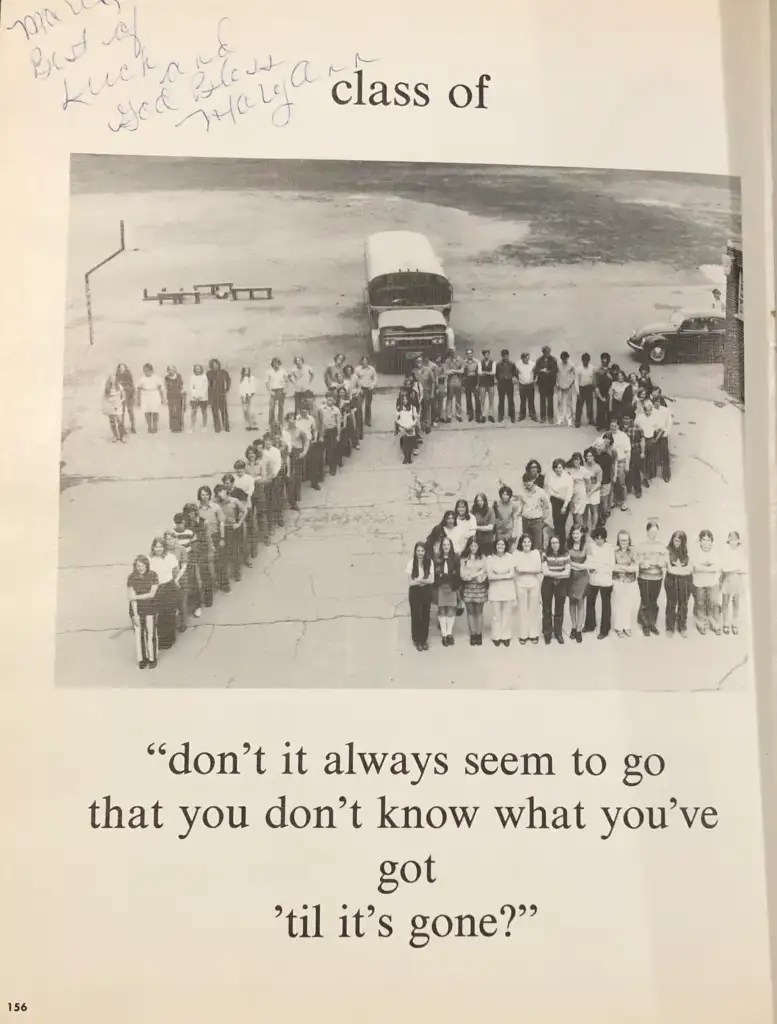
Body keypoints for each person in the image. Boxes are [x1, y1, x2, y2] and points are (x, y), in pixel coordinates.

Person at [126, 554, 159, 669]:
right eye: (137, 565)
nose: (140, 567)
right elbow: (131, 596)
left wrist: (136, 597)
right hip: (137, 610)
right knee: (139, 634)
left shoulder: (153, 575)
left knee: (151, 633)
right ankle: (142, 659)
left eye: (142, 565)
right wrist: (135, 615)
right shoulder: (131, 577)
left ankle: (152, 658)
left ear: (146, 565)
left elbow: (152, 594)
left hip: (150, 608)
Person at [149, 536, 180, 651]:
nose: (159, 549)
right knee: (161, 614)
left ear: (164, 547)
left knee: (170, 612)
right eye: (156, 547)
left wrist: (175, 582)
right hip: (158, 588)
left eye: (161, 546)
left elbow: (176, 571)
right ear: (153, 548)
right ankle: (162, 639)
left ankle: (170, 639)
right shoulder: (150, 559)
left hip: (169, 586)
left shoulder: (170, 557)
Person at [636, 519, 667, 636]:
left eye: (655, 532)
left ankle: (652, 623)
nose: (653, 534)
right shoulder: (641, 545)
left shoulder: (661, 546)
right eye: (651, 532)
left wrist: (662, 563)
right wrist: (642, 563)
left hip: (657, 577)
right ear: (647, 532)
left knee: (654, 600)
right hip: (644, 576)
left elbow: (665, 560)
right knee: (645, 600)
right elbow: (637, 559)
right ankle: (645, 624)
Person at [583, 526, 614, 638]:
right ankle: (590, 625)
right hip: (593, 580)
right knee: (590, 602)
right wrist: (591, 568)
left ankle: (604, 630)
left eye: (601, 538)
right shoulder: (591, 547)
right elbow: (588, 561)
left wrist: (598, 567)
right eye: (597, 538)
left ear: (605, 538)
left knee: (606, 605)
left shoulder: (610, 548)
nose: (599, 540)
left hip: (606, 580)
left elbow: (610, 564)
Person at [214, 482, 247, 587]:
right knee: (223, 552)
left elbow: (245, 511)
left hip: (232, 529)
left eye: (221, 491)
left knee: (234, 551)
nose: (219, 494)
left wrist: (239, 523)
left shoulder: (234, 501)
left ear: (226, 491)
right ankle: (225, 576)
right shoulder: (217, 503)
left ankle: (237, 572)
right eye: (217, 492)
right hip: (222, 529)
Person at [486, 537, 517, 646]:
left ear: (505, 546)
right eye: (498, 544)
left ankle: (506, 636)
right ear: (495, 545)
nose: (500, 546)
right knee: (496, 615)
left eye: (502, 544)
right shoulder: (490, 558)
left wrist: (498, 574)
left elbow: (512, 574)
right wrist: (505, 575)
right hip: (495, 590)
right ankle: (496, 636)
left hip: (508, 589)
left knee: (507, 614)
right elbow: (490, 576)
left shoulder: (510, 557)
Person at [514, 533, 542, 644]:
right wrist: (530, 569)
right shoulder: (517, 553)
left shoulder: (535, 553)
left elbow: (538, 569)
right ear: (521, 543)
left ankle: (533, 633)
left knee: (533, 609)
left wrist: (523, 569)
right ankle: (523, 634)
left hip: (534, 584)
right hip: (520, 584)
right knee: (522, 609)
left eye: (529, 542)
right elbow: (517, 569)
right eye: (524, 542)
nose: (527, 544)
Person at [196, 485, 225, 593]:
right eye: (202, 494)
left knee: (219, 561)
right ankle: (210, 585)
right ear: (199, 496)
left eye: (207, 494)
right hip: (203, 539)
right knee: (206, 563)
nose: (205, 497)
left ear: (210, 495)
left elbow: (221, 522)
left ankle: (223, 583)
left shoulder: (216, 507)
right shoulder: (197, 510)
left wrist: (222, 538)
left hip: (215, 535)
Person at [541, 534, 570, 644]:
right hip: (547, 584)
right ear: (550, 544)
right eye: (552, 543)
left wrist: (552, 574)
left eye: (556, 542)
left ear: (560, 543)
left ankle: (558, 632)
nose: (555, 545)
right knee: (546, 609)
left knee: (559, 609)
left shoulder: (566, 554)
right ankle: (547, 633)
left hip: (561, 584)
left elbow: (567, 573)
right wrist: (559, 574)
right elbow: (545, 571)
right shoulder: (545, 554)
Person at [460, 537, 489, 645]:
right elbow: (462, 574)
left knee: (479, 612)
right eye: (471, 545)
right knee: (470, 611)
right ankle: (473, 634)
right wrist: (470, 575)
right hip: (468, 586)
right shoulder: (464, 558)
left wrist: (479, 576)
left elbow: (485, 572)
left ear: (479, 546)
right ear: (468, 546)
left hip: (479, 586)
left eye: (475, 545)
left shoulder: (483, 557)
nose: (473, 548)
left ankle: (479, 633)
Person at [692, 530, 722, 635]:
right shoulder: (696, 553)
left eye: (708, 540)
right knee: (700, 603)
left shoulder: (715, 553)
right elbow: (695, 567)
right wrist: (709, 566)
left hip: (713, 583)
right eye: (703, 540)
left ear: (711, 541)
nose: (705, 542)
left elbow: (717, 567)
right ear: (700, 541)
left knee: (714, 603)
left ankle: (714, 624)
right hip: (699, 583)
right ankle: (701, 624)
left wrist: (703, 567)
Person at [407, 542, 435, 651]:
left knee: (425, 615)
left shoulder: (430, 563)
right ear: (415, 552)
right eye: (418, 551)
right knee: (416, 616)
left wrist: (419, 580)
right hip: (415, 593)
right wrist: (424, 581)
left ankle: (424, 639)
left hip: (426, 592)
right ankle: (417, 640)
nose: (420, 553)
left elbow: (432, 580)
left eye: (422, 551)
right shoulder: (411, 563)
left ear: (425, 552)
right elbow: (411, 582)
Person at [665, 530, 693, 637]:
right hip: (671, 581)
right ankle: (670, 626)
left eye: (679, 541)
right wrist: (682, 569)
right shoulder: (667, 551)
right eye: (675, 540)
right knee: (671, 603)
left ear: (683, 541)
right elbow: (670, 570)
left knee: (683, 604)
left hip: (685, 582)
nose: (676, 542)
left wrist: (677, 569)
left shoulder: (687, 552)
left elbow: (690, 569)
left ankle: (682, 626)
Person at [514, 471, 551, 551]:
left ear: (534, 480)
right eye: (526, 481)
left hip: (537, 521)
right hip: (525, 520)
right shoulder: (522, 492)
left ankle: (538, 561)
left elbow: (547, 504)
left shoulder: (540, 491)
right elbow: (521, 504)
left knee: (537, 544)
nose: (528, 483)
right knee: (526, 543)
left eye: (530, 480)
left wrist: (543, 517)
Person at [434, 536, 461, 646]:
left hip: (451, 587)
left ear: (451, 546)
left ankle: (449, 633)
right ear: (441, 547)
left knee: (451, 610)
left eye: (448, 545)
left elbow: (457, 573)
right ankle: (444, 635)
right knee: (442, 610)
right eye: (444, 545)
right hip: (441, 587)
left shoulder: (455, 558)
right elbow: (435, 573)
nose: (446, 547)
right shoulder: (437, 558)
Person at [611, 529, 638, 637]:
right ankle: (618, 627)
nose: (624, 542)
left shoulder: (632, 552)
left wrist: (621, 568)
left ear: (629, 540)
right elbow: (613, 567)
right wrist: (627, 567)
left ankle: (626, 626)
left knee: (627, 604)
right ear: (618, 540)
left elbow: (635, 568)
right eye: (622, 540)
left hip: (630, 581)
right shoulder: (614, 552)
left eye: (626, 540)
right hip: (617, 581)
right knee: (618, 604)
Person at [282, 412, 310, 510]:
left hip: (297, 454)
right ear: (287, 420)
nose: (292, 421)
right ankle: (291, 500)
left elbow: (306, 441)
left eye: (293, 418)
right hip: (288, 455)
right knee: (289, 478)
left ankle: (295, 499)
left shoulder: (299, 431)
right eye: (290, 419)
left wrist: (304, 452)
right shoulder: (284, 432)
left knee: (297, 478)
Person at [720, 530, 746, 635]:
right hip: (727, 580)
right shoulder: (725, 553)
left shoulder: (741, 554)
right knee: (725, 602)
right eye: (731, 539)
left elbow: (744, 569)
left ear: (738, 541)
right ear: (728, 541)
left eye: (735, 539)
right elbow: (724, 568)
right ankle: (725, 623)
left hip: (737, 581)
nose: (733, 541)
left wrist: (733, 569)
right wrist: (732, 569)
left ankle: (734, 623)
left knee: (736, 603)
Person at [566, 523, 589, 642]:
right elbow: (565, 560)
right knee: (571, 602)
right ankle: (573, 627)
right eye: (574, 533)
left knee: (580, 602)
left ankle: (579, 629)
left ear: (582, 534)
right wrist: (578, 566)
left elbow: (587, 564)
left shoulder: (586, 545)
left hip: (582, 578)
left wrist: (573, 565)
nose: (575, 535)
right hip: (570, 577)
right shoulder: (567, 545)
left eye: (578, 533)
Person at [547, 457, 573, 539]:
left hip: (564, 503)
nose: (558, 470)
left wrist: (564, 506)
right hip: (554, 501)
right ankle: (556, 544)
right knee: (556, 523)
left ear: (563, 467)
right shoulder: (551, 477)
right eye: (555, 468)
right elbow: (550, 491)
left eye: (559, 467)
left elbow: (569, 493)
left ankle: (562, 545)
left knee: (561, 524)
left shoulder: (568, 478)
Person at [635, 399, 659, 485]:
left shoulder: (654, 417)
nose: (648, 412)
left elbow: (657, 428)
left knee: (650, 459)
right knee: (643, 458)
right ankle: (644, 477)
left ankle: (650, 475)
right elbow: (635, 425)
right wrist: (639, 430)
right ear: (644, 410)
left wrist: (655, 439)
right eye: (647, 411)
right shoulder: (640, 417)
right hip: (643, 439)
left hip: (651, 439)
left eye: (650, 410)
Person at [609, 419, 632, 511]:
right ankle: (613, 501)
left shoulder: (623, 436)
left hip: (620, 462)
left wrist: (627, 465)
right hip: (610, 462)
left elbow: (628, 451)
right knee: (611, 483)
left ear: (618, 426)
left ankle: (623, 502)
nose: (613, 428)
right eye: (611, 426)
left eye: (615, 426)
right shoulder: (606, 435)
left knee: (620, 482)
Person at [621, 412, 644, 500]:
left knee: (635, 470)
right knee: (627, 470)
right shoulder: (620, 428)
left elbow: (642, 440)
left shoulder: (637, 428)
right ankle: (628, 487)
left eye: (628, 419)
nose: (626, 421)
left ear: (631, 419)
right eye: (625, 418)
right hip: (625, 452)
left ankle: (638, 489)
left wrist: (642, 452)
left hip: (634, 451)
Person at [136, 363, 164, 433]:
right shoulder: (142, 379)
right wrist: (138, 399)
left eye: (148, 370)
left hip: (155, 395)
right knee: (147, 412)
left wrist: (162, 398)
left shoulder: (157, 378)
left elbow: (160, 389)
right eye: (145, 371)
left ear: (151, 370)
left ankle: (155, 425)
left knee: (155, 411)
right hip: (145, 396)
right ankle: (149, 426)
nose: (146, 372)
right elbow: (138, 389)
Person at [534, 345, 558, 424]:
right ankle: (543, 417)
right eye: (545, 352)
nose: (546, 353)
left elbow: (555, 370)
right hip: (542, 383)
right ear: (543, 352)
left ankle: (550, 417)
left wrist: (549, 372)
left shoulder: (554, 360)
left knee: (550, 400)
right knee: (542, 400)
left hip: (550, 383)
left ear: (550, 352)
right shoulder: (539, 360)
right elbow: (536, 370)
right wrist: (541, 371)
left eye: (548, 352)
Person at [652, 396, 673, 482]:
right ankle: (652, 472)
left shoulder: (665, 410)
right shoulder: (651, 410)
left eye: (657, 401)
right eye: (654, 402)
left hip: (663, 434)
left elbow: (669, 422)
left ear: (660, 402)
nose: (656, 403)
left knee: (665, 455)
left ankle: (666, 474)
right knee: (653, 454)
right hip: (653, 434)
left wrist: (666, 432)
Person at [207, 359, 231, 433]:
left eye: (216, 364)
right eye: (213, 365)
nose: (215, 366)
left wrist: (227, 389)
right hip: (213, 395)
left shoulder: (224, 372)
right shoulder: (209, 373)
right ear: (211, 366)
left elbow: (228, 380)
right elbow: (206, 384)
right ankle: (217, 428)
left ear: (218, 364)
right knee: (215, 412)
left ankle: (226, 427)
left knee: (224, 411)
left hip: (222, 394)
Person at [319, 394, 341, 475]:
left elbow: (338, 423)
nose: (329, 401)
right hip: (324, 431)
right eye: (328, 400)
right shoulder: (321, 409)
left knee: (332, 450)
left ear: (334, 401)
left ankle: (333, 468)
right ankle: (324, 467)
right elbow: (320, 421)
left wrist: (338, 434)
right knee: (324, 450)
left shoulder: (336, 410)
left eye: (331, 400)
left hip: (332, 431)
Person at [493, 485, 519, 553]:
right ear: (500, 495)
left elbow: (515, 519)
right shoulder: (496, 504)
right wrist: (496, 529)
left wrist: (515, 532)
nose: (505, 496)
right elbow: (495, 517)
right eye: (503, 494)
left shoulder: (513, 505)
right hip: (499, 531)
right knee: (499, 549)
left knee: (509, 550)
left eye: (507, 495)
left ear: (510, 495)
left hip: (509, 531)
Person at [583, 447, 602, 534]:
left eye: (591, 456)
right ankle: (585, 526)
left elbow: (599, 483)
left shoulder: (597, 468)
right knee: (585, 510)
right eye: (587, 456)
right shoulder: (583, 466)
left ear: (594, 456)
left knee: (594, 510)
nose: (589, 458)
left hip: (594, 492)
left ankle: (594, 528)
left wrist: (591, 492)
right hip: (584, 491)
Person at [102, 373, 126, 443]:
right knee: (112, 422)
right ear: (109, 380)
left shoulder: (119, 386)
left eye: (114, 379)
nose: (113, 380)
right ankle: (115, 436)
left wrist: (119, 403)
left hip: (118, 405)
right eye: (111, 379)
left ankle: (121, 437)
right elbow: (105, 397)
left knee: (120, 422)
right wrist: (108, 405)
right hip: (110, 406)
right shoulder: (107, 388)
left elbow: (123, 396)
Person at [495, 349, 518, 422]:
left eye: (507, 356)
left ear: (508, 355)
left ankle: (512, 416)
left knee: (511, 400)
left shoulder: (512, 364)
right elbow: (496, 374)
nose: (505, 357)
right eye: (504, 356)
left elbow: (515, 373)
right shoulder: (498, 364)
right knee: (501, 401)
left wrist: (509, 376)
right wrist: (501, 377)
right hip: (501, 384)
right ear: (502, 356)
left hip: (509, 384)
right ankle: (500, 416)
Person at [265, 357, 288, 429]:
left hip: (281, 390)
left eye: (277, 363)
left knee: (281, 407)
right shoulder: (269, 372)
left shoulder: (283, 371)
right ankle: (271, 422)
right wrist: (270, 391)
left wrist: (285, 389)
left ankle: (280, 422)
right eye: (274, 363)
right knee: (272, 407)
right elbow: (266, 382)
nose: (276, 365)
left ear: (279, 363)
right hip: (273, 390)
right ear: (272, 364)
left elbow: (287, 381)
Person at [568, 451, 589, 528]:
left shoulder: (584, 470)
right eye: (574, 459)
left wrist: (587, 494)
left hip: (581, 494)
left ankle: (580, 530)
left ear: (580, 460)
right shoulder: (570, 470)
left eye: (577, 459)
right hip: (573, 495)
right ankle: (576, 531)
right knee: (574, 514)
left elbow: (588, 483)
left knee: (578, 515)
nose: (576, 461)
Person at [555, 351, 576, 426]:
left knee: (568, 403)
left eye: (565, 359)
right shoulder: (558, 363)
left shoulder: (571, 364)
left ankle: (569, 420)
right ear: (561, 358)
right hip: (559, 386)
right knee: (559, 402)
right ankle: (560, 419)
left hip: (568, 386)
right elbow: (556, 373)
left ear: (567, 358)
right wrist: (557, 383)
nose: (564, 360)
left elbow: (573, 375)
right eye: (563, 359)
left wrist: (570, 383)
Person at [396, 394, 419, 464]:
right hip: (403, 427)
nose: (404, 401)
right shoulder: (399, 408)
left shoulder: (413, 408)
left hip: (411, 427)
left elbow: (416, 418)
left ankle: (409, 457)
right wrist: (401, 425)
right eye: (403, 399)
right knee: (405, 443)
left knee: (409, 443)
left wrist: (412, 425)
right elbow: (397, 419)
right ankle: (406, 458)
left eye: (406, 399)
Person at [356, 356, 377, 427]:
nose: (364, 362)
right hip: (361, 389)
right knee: (359, 406)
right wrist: (358, 388)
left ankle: (367, 421)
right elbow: (355, 379)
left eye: (366, 361)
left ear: (368, 361)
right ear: (361, 361)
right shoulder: (358, 369)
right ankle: (359, 421)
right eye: (363, 361)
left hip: (369, 389)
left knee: (368, 406)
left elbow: (375, 378)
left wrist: (373, 385)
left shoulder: (371, 369)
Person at [461, 348, 482, 422]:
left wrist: (478, 384)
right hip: (467, 381)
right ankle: (470, 415)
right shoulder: (464, 362)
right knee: (468, 399)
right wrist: (463, 385)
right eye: (468, 353)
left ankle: (478, 416)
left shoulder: (477, 362)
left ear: (472, 354)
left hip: (475, 381)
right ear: (466, 355)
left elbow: (479, 374)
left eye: (470, 353)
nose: (469, 354)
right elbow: (462, 375)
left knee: (477, 399)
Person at [574, 353, 595, 427]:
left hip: (589, 388)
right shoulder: (578, 368)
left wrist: (594, 389)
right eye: (584, 360)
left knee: (590, 405)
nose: (585, 362)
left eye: (587, 360)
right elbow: (576, 380)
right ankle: (577, 421)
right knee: (579, 405)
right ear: (582, 360)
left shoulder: (592, 368)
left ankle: (591, 419)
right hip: (582, 388)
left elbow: (593, 379)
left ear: (589, 360)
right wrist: (577, 392)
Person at [115, 363, 136, 433]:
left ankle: (133, 426)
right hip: (120, 395)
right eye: (120, 368)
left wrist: (132, 393)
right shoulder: (116, 376)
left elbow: (132, 385)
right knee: (122, 412)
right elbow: (115, 386)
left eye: (123, 368)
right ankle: (122, 428)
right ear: (118, 368)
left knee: (130, 411)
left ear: (125, 368)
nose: (122, 369)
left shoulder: (128, 375)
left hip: (129, 394)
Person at [593, 353, 612, 429]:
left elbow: (614, 381)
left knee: (608, 409)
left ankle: (607, 425)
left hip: (609, 392)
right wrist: (599, 395)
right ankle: (599, 424)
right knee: (600, 409)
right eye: (603, 360)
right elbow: (595, 383)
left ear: (608, 361)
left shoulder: (611, 370)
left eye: (606, 360)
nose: (604, 361)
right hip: (600, 391)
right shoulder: (597, 370)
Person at [516, 352, 537, 422]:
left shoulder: (533, 364)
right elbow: (516, 373)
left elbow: (535, 373)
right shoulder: (518, 364)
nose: (527, 359)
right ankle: (522, 415)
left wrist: (534, 379)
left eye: (528, 357)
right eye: (525, 358)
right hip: (522, 385)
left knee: (531, 401)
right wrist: (519, 379)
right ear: (522, 358)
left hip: (530, 384)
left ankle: (532, 415)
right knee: (523, 401)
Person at [188, 364, 210, 430]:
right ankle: (192, 427)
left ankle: (204, 426)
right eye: (196, 368)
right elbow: (192, 387)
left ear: (201, 369)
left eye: (199, 368)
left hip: (203, 398)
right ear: (194, 369)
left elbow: (205, 387)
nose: (198, 370)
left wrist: (201, 396)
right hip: (194, 398)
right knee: (193, 412)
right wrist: (194, 396)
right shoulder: (192, 377)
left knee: (204, 412)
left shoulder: (204, 377)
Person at [445, 350, 465, 422]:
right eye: (451, 353)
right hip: (450, 382)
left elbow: (462, 371)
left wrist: (453, 370)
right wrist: (457, 371)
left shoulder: (460, 360)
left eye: (454, 352)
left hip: (458, 382)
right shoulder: (447, 361)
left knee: (458, 399)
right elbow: (446, 372)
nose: (453, 354)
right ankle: (448, 416)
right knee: (449, 399)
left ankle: (458, 415)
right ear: (450, 354)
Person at [478, 349, 496, 422]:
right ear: (483, 355)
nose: (487, 355)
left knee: (491, 400)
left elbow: (494, 372)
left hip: (491, 384)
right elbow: (479, 373)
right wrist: (489, 372)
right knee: (482, 400)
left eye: (488, 354)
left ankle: (491, 415)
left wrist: (484, 372)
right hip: (482, 384)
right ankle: (483, 415)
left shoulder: (493, 362)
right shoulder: (480, 362)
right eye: (485, 354)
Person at [432, 353, 448, 424]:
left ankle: (440, 416)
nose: (438, 359)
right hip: (433, 385)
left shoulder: (443, 366)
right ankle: (435, 416)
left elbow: (445, 375)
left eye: (439, 357)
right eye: (437, 357)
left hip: (441, 385)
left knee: (441, 401)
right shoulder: (432, 366)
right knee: (434, 401)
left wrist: (439, 377)